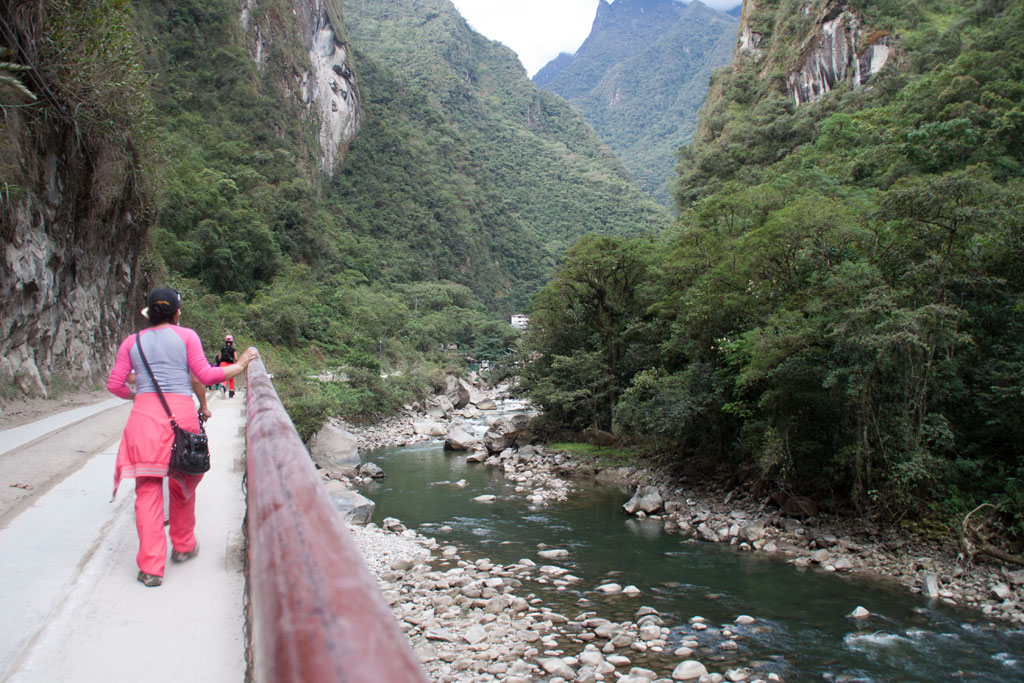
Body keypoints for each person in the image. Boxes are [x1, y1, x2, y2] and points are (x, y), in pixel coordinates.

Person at [107, 287, 257, 587]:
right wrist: (241, 365)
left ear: (148, 313)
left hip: (144, 421)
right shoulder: (186, 336)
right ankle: (184, 544)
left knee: (147, 491)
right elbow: (205, 375)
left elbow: (115, 384)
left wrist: (138, 396)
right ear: (177, 313)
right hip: (181, 419)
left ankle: (151, 567)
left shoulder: (131, 342)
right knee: (183, 484)